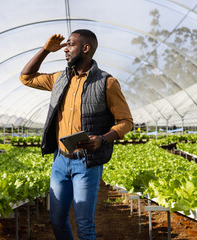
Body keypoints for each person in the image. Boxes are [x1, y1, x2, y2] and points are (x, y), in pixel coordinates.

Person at [20, 29, 133, 240]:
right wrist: (45, 50)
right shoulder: (59, 79)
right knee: (57, 220)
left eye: (70, 44)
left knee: (85, 224)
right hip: (60, 161)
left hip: (86, 163)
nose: (65, 49)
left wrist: (103, 139)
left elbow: (126, 122)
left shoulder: (107, 83)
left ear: (86, 48)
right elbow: (26, 77)